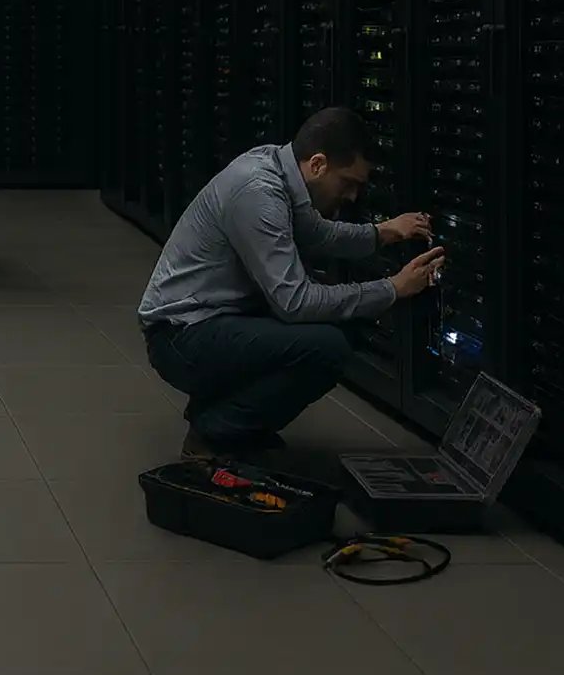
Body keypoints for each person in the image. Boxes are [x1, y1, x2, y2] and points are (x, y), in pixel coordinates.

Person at [138, 107, 445, 458]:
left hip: (207, 322)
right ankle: (214, 432)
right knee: (326, 346)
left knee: (347, 324)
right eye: (349, 183)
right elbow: (295, 302)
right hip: (179, 338)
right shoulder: (259, 191)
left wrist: (383, 232)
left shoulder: (277, 168)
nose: (352, 197)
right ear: (317, 164)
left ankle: (220, 415)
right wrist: (394, 287)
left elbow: (318, 235)